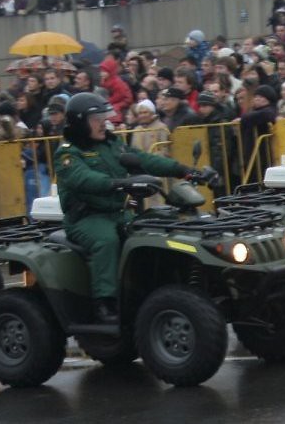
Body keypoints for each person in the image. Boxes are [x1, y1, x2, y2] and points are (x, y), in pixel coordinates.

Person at [54, 93, 197, 323]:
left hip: (119, 213)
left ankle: (156, 292)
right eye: (96, 119)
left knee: (154, 230)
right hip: (87, 218)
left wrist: (184, 170)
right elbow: (83, 179)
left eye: (104, 117)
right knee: (106, 241)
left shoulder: (112, 145)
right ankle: (105, 302)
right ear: (80, 122)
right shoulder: (68, 153)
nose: (104, 122)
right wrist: (119, 184)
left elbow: (144, 160)